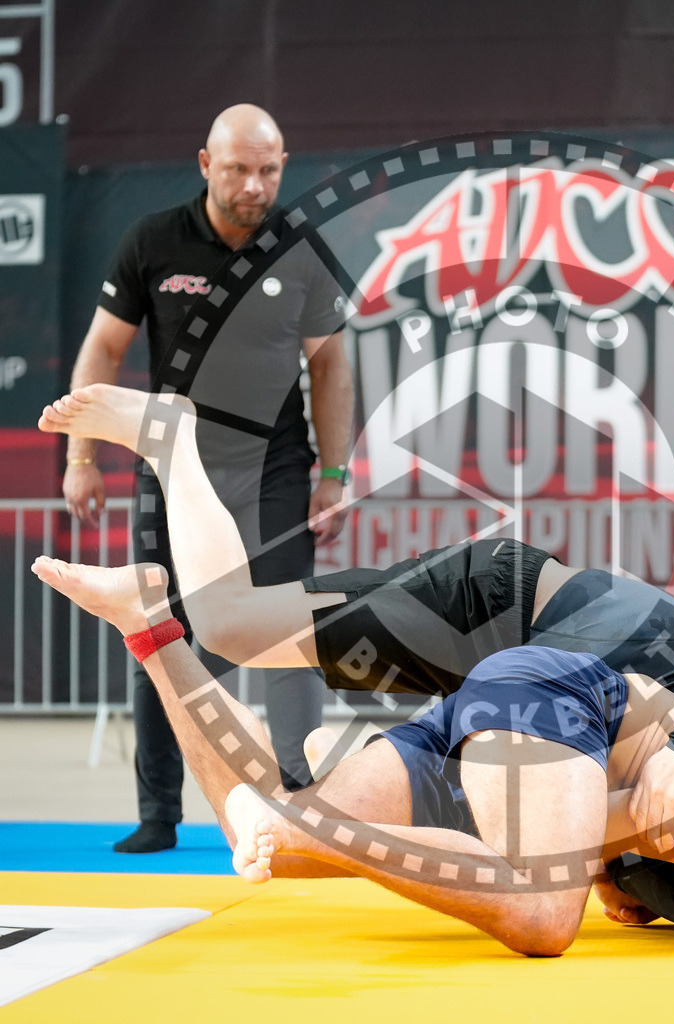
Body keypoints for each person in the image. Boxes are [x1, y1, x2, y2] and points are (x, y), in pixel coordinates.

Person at [41, 383, 674, 858]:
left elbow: (624, 859)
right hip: (494, 612)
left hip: (517, 680)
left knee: (335, 777)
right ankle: (173, 441)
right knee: (227, 621)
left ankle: (182, 633)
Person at [31, 554, 674, 957]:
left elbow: (630, 861)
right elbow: (595, 853)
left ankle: (151, 627)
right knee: (541, 911)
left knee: (264, 843)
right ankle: (331, 803)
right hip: (550, 692)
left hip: (521, 725)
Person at [60, 104, 353, 852]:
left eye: (269, 169)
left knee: (288, 627)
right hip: (173, 464)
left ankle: (301, 795)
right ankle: (159, 814)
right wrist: (82, 457)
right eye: (238, 169)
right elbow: (102, 349)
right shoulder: (152, 241)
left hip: (277, 468)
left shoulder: (301, 245)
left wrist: (336, 472)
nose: (254, 186)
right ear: (204, 164)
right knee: (161, 630)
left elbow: (330, 364)